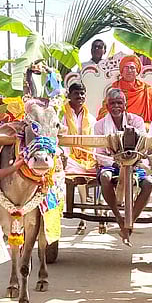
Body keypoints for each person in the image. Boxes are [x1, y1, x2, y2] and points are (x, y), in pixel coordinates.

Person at [94, 88, 152, 244]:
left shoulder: (137, 121)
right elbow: (99, 154)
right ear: (107, 106)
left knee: (149, 183)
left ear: (125, 105)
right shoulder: (99, 125)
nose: (116, 107)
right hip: (111, 164)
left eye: (119, 103)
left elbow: (143, 147)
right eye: (112, 103)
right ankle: (119, 218)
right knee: (105, 177)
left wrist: (131, 161)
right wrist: (115, 163)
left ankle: (129, 221)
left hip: (135, 163)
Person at [62, 83, 97, 234]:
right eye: (76, 93)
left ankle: (86, 213)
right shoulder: (61, 115)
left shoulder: (91, 118)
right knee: (77, 169)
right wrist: (67, 157)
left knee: (100, 169)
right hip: (67, 158)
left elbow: (95, 143)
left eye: (82, 94)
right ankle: (82, 213)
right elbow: (61, 141)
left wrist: (92, 157)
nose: (80, 96)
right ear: (69, 95)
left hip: (87, 158)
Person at [97, 55, 152, 122]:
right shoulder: (114, 89)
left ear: (137, 72)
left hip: (142, 126)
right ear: (122, 72)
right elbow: (104, 112)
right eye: (126, 67)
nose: (129, 70)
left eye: (132, 67)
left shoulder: (146, 90)